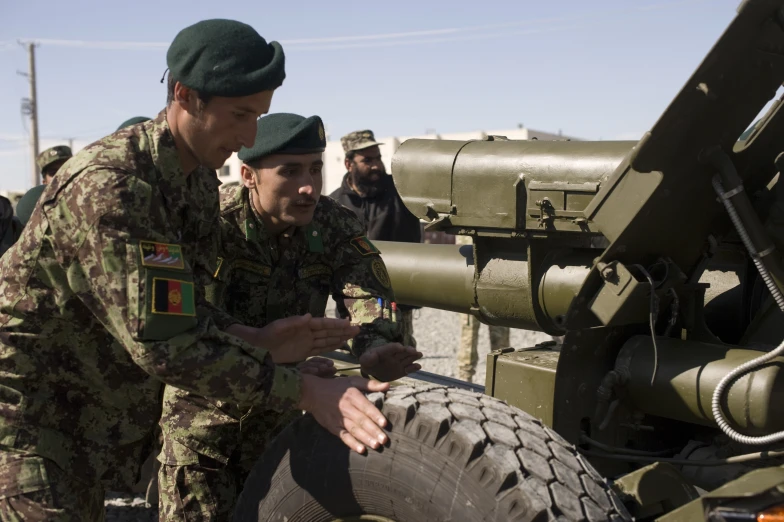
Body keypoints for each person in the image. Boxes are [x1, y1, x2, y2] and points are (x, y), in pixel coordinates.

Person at [0, 19, 390, 520]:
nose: (248, 135)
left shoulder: (195, 183)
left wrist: (260, 341)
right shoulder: (112, 186)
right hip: (26, 419)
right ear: (185, 96)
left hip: (80, 421)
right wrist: (304, 390)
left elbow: (185, 311)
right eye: (239, 115)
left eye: (259, 116)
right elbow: (162, 345)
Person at [157, 113, 423, 521]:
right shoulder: (208, 223)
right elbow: (179, 317)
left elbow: (366, 289)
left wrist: (374, 343)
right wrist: (256, 339)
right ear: (248, 175)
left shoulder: (332, 222)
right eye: (290, 171)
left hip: (282, 418)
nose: (308, 186)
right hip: (205, 425)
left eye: (315, 169)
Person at [329, 129, 422, 347]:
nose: (375, 166)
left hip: (397, 301)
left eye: (378, 158)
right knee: (350, 365)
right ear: (348, 164)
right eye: (367, 160)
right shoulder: (334, 204)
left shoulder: (402, 193)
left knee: (399, 360)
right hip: (350, 305)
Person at [453, 234, 510, 382]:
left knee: (500, 337)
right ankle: (465, 382)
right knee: (469, 334)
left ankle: (502, 382)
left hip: (499, 276)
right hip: (470, 280)